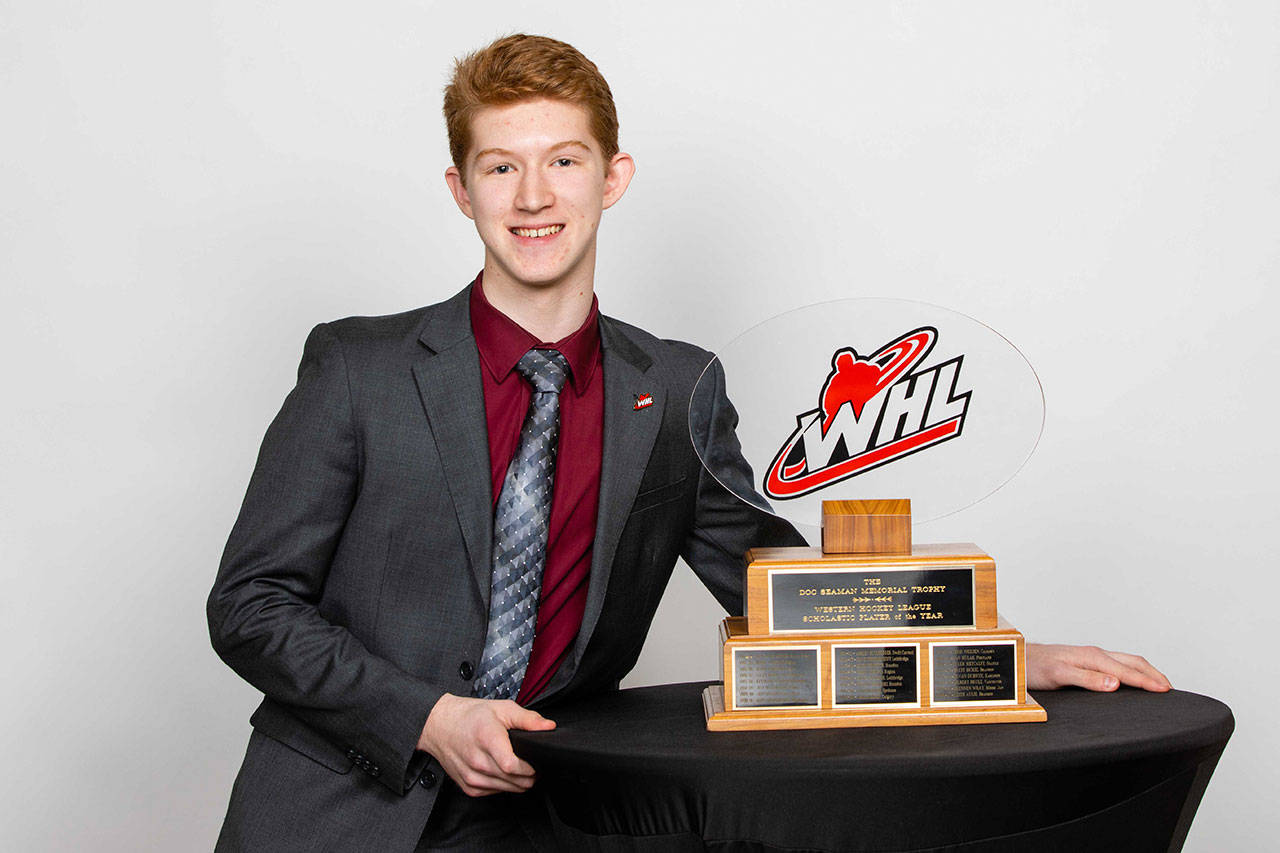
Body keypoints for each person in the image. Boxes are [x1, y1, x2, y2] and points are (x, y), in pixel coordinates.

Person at [208, 33, 1171, 852]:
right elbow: (249, 603)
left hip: (546, 815)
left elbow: (780, 586)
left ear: (613, 177)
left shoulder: (676, 389)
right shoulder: (357, 368)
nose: (534, 194)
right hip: (333, 812)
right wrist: (427, 716)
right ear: (462, 189)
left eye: (565, 160)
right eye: (502, 165)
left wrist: (998, 656)